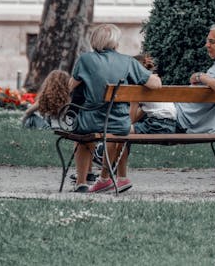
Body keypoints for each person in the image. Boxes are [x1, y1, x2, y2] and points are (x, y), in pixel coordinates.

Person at [69, 24, 162, 193]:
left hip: (90, 121)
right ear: (115, 43)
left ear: (94, 41)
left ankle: (81, 182)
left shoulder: (85, 59)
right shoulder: (128, 61)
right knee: (112, 134)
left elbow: (71, 87)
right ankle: (107, 177)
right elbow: (155, 84)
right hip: (119, 123)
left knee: (82, 136)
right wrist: (154, 77)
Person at [130, 54, 177, 134]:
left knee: (120, 129)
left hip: (156, 125)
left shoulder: (137, 86)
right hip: (171, 126)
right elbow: (143, 111)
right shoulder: (154, 82)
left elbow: (131, 119)